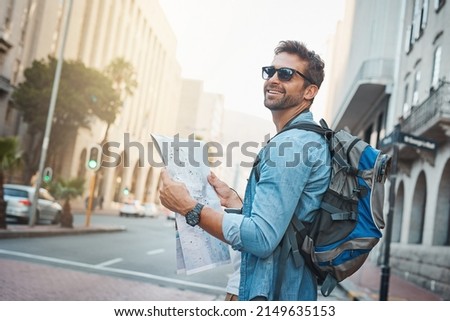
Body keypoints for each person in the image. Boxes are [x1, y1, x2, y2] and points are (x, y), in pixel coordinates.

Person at [159, 40, 330, 301]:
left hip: (267, 294)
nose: (273, 79)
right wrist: (238, 202)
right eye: (269, 71)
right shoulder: (300, 140)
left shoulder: (292, 145)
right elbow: (284, 224)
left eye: (285, 74)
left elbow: (261, 238)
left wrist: (189, 208)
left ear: (309, 91)